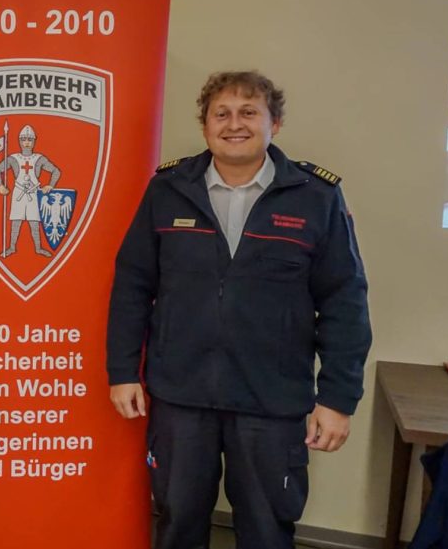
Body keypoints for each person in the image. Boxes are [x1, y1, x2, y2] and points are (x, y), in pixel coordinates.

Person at [106, 70, 371, 549]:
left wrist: (337, 399)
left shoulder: (316, 197)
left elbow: (345, 302)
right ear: (205, 126)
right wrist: (123, 370)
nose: (234, 124)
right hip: (181, 397)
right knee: (177, 524)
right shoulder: (168, 190)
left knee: (268, 531)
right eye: (221, 114)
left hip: (271, 400)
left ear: (276, 124)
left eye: (249, 112)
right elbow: (132, 284)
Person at [0, 124, 61, 257]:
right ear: (20, 141)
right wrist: (0, 186)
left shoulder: (39, 159)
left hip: (33, 193)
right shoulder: (14, 159)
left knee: (34, 222)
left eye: (29, 140)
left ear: (34, 141)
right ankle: (12, 247)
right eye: (24, 139)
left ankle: (38, 248)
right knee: (16, 222)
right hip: (18, 193)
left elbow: (56, 171)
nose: (26, 143)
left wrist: (50, 185)